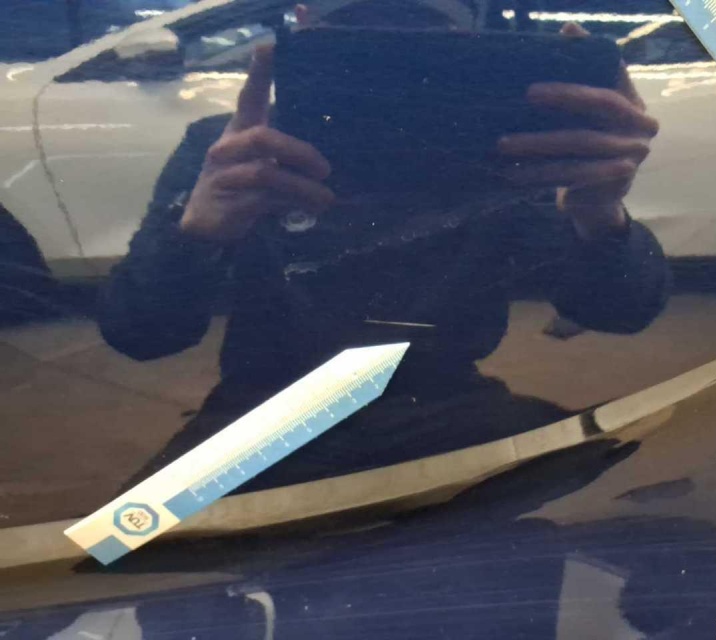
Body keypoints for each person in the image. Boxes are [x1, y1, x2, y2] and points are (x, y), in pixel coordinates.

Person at [99, 3, 670, 493]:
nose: (393, 74)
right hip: (279, 415)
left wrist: (597, 212)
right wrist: (198, 231)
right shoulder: (238, 151)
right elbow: (139, 331)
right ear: (302, 28)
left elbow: (619, 311)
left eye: (422, 44)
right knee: (118, 551)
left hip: (430, 410)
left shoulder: (508, 154)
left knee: (122, 555)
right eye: (359, 45)